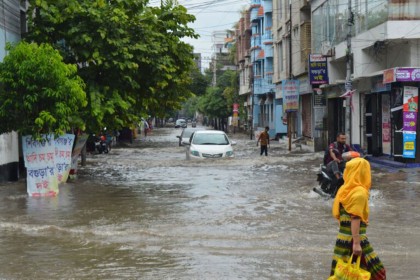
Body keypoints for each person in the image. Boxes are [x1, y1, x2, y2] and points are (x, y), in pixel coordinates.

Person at [330, 157, 386, 279]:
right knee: (378, 272)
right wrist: (356, 243)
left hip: (342, 239)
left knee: (341, 274)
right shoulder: (359, 192)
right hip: (355, 240)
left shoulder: (344, 189)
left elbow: (345, 216)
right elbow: (355, 218)